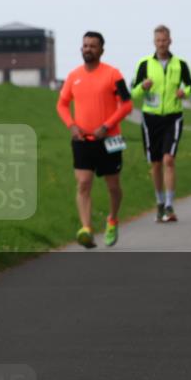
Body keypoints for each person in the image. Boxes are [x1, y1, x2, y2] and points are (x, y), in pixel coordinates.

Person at [57, 32, 134, 248]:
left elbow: (127, 105)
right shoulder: (74, 76)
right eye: (85, 45)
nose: (88, 49)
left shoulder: (113, 74)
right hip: (82, 140)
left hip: (110, 139)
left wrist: (106, 126)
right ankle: (86, 229)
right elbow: (62, 104)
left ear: (101, 50)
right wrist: (71, 125)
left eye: (92, 46)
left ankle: (112, 219)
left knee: (113, 186)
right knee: (83, 183)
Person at [130, 25, 191, 222]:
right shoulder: (145, 64)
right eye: (158, 40)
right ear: (154, 42)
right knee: (156, 163)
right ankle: (159, 203)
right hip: (151, 118)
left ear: (170, 41)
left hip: (173, 116)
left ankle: (169, 205)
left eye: (164, 40)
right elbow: (133, 92)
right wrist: (144, 86)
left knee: (169, 160)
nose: (161, 44)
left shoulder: (180, 64)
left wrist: (185, 93)